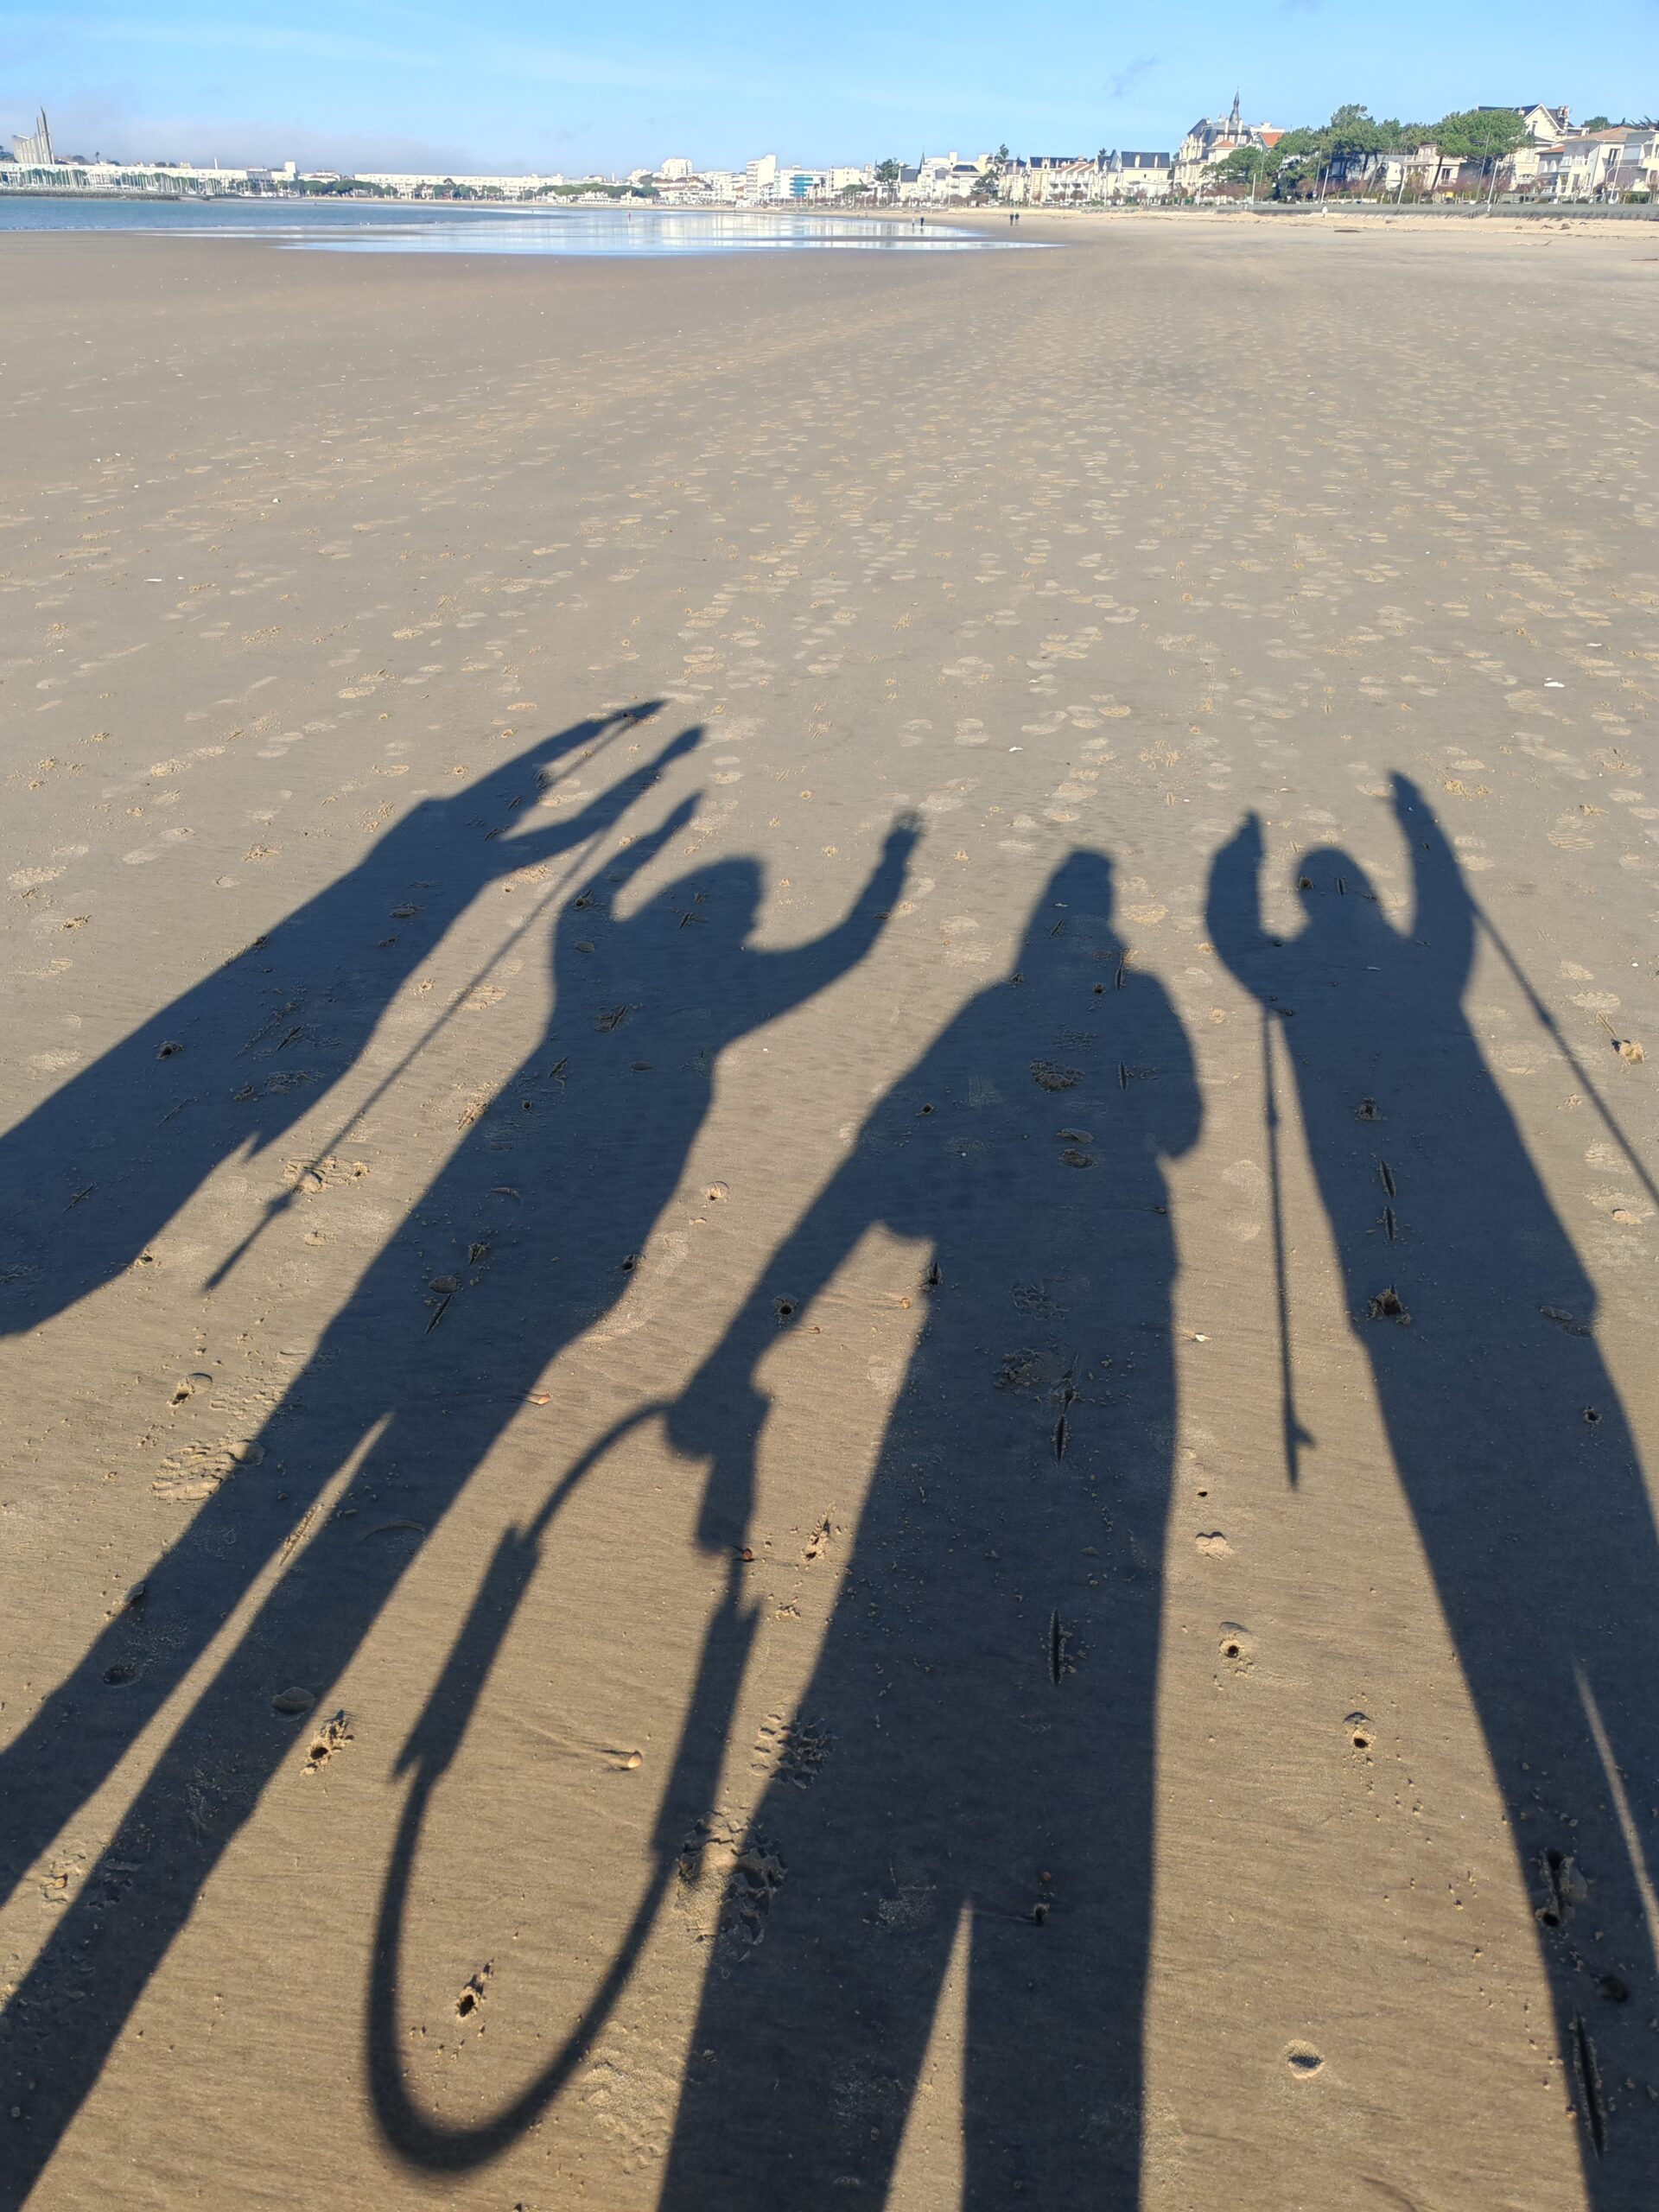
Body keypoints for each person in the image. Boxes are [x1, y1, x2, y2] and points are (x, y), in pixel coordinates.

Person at [658, 853, 1199, 2208]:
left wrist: (743, 1348)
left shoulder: (986, 1020)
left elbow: (871, 1176)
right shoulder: (1134, 1015)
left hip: (978, 1340)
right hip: (1118, 1290)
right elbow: (1183, 1131)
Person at [1207, 776, 1659, 2202]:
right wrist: (1426, 840)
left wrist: (1236, 864)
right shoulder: (1416, 975)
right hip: (1528, 1278)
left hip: (1402, 1304)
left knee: (1508, 1616)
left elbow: (1244, 952)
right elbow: (1446, 936)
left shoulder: (1308, 983)